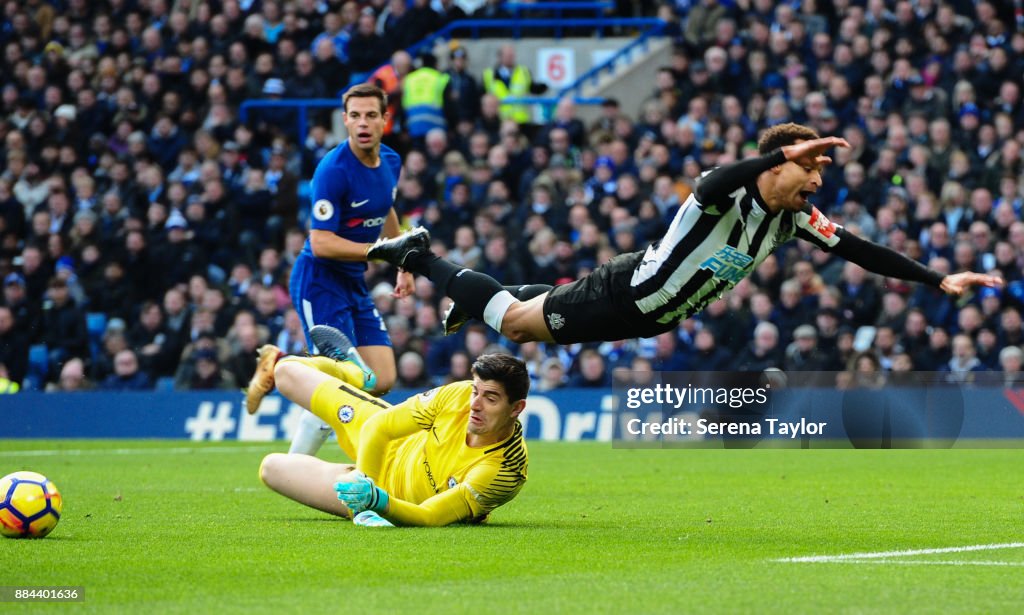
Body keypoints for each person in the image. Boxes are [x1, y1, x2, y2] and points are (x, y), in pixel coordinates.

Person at [369, 123, 1002, 345]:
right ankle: (419, 254)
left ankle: (472, 294)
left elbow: (862, 249)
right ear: (781, 164)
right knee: (513, 324)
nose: (817, 180)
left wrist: (936, 276)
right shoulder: (725, 192)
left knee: (523, 315)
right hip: (628, 292)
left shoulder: (794, 220)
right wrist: (782, 155)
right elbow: (715, 177)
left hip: (652, 317)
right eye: (809, 166)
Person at [247, 84, 412, 458]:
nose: (363, 123)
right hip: (319, 280)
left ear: (385, 120)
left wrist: (403, 263)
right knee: (336, 385)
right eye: (355, 116)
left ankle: (280, 364)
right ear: (344, 121)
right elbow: (320, 243)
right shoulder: (332, 171)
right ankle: (293, 468)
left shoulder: (391, 162)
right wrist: (382, 252)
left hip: (353, 279)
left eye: (371, 115)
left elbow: (386, 209)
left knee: (381, 378)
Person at [257, 325, 529, 527]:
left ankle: (319, 422)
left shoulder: (504, 469)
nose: (475, 404)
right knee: (285, 372)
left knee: (271, 468)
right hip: (387, 444)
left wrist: (376, 501)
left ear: (516, 409)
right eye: (475, 392)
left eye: (490, 398)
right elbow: (379, 426)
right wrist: (364, 496)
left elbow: (429, 515)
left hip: (389, 500)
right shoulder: (458, 394)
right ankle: (356, 373)